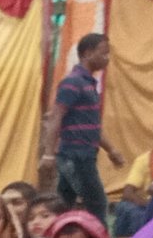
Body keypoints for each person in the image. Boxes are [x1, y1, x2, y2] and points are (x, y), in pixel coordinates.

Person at [42, 30, 110, 222]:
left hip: (83, 154)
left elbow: (92, 126)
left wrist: (111, 150)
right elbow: (56, 117)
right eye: (104, 52)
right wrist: (48, 154)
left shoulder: (88, 85)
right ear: (87, 53)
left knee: (63, 204)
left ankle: (54, 233)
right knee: (97, 203)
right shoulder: (72, 82)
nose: (107, 58)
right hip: (76, 155)